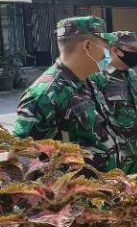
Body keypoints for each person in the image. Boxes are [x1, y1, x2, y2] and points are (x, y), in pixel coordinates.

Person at [13, 16, 120, 172]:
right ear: (88, 46)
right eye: (104, 45)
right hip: (74, 194)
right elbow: (21, 158)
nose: (108, 52)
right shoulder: (45, 94)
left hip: (102, 191)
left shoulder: (88, 82)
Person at [91, 31, 137, 174]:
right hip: (115, 159)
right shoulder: (98, 77)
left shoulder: (132, 75)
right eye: (132, 49)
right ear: (115, 50)